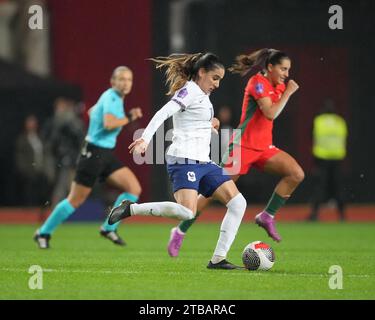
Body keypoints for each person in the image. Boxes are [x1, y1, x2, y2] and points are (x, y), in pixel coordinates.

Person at [107, 53, 247, 270]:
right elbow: (164, 113)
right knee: (187, 212)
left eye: (219, 79)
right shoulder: (189, 90)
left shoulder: (201, 93)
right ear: (201, 72)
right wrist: (145, 138)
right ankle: (131, 209)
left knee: (238, 203)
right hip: (184, 160)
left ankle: (218, 259)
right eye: (215, 78)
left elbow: (191, 120)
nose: (217, 84)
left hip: (204, 162)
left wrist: (211, 124)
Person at [167, 48, 304, 257]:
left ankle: (267, 216)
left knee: (296, 174)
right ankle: (180, 230)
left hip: (264, 147)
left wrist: (284, 90)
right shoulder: (257, 83)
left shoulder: (280, 85)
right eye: (283, 69)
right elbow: (270, 113)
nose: (286, 73)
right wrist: (288, 93)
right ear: (270, 67)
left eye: (288, 69)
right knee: (212, 193)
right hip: (242, 147)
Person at [34, 66, 143, 249]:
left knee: (133, 188)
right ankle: (43, 232)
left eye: (129, 79)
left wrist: (98, 117)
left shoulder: (111, 97)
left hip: (105, 153)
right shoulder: (111, 96)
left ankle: (109, 227)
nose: (125, 83)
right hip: (93, 154)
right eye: (121, 79)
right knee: (75, 200)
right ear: (113, 82)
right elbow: (109, 124)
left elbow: (93, 111)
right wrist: (130, 117)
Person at [308, 99, 348, 221]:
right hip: (337, 158)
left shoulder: (319, 121)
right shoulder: (340, 121)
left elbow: (312, 137)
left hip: (322, 158)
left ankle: (314, 215)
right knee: (338, 187)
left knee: (320, 187)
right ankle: (342, 216)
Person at [42, 97, 85, 207]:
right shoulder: (53, 122)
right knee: (60, 188)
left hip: (72, 160)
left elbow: (80, 140)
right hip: (57, 160)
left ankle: (72, 212)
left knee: (72, 188)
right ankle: (54, 211)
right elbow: (50, 142)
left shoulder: (73, 123)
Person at [15, 115, 49, 206]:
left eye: (33, 123)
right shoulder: (22, 139)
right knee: (30, 195)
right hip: (29, 173)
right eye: (30, 123)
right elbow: (20, 157)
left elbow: (45, 154)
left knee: (42, 195)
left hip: (41, 172)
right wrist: (26, 170)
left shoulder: (40, 138)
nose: (32, 125)